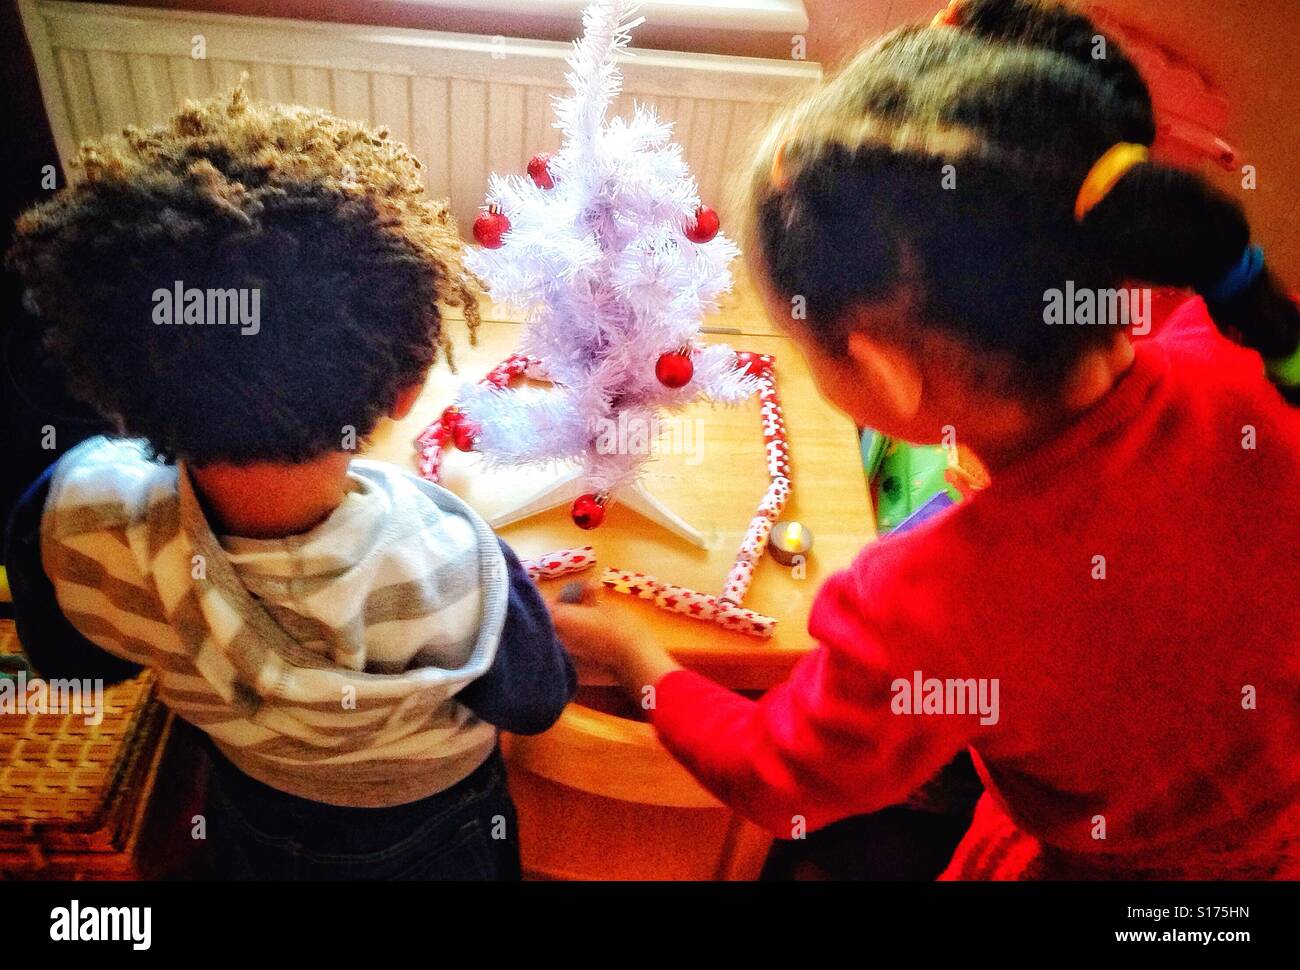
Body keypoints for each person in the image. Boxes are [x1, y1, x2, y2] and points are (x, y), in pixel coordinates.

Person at [551, 0, 1300, 879]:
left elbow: (777, 782)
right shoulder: (1242, 347)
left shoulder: (927, 606)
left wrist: (632, 652)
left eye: (800, 338)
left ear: (881, 370)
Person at [4, 88, 575, 880]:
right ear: (407, 391)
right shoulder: (454, 562)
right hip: (436, 836)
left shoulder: (70, 513)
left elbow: (82, 664)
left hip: (250, 812)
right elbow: (537, 699)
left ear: (118, 383)